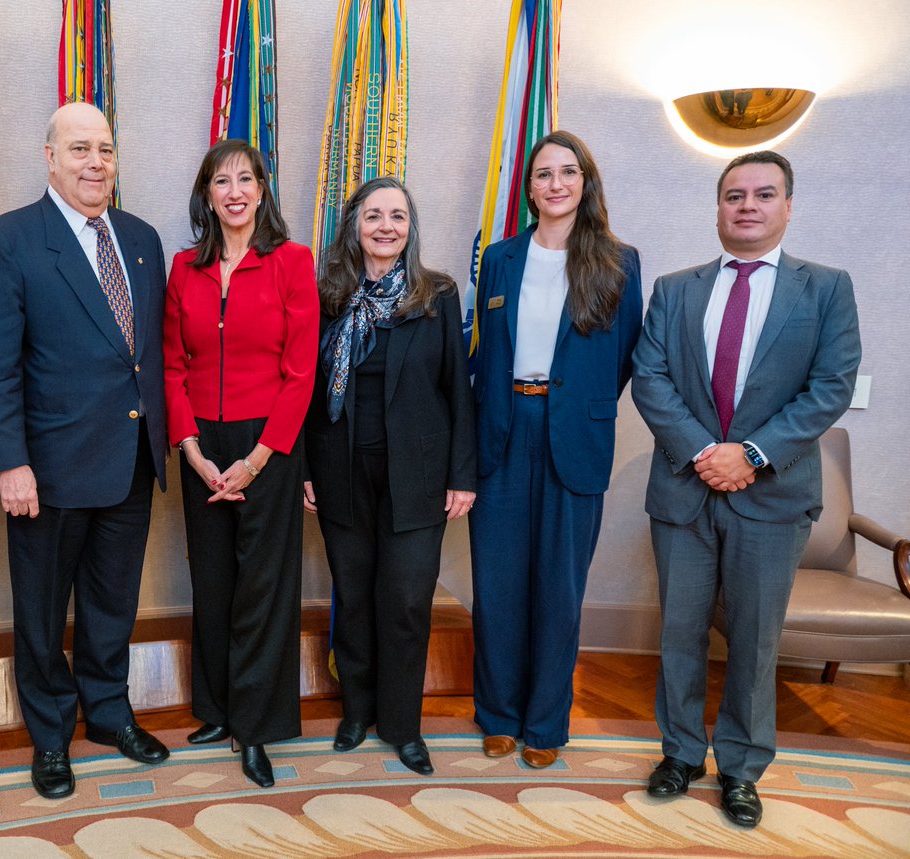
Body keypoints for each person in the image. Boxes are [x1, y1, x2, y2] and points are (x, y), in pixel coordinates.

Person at [632, 150, 860, 827]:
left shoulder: (825, 288)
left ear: (788, 206)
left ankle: (740, 766)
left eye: (764, 194)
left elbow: (831, 387)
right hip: (684, 490)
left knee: (757, 640)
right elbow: (651, 379)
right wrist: (706, 452)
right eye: (735, 195)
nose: (748, 205)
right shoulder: (676, 289)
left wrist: (751, 455)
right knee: (678, 633)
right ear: (719, 208)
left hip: (773, 494)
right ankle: (679, 751)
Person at [0, 102, 170, 800]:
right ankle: (50, 735)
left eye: (106, 149)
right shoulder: (7, 241)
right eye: (79, 148)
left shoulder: (141, 238)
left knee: (113, 603)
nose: (95, 162)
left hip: (131, 458)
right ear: (48, 156)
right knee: (44, 610)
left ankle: (109, 712)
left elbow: (143, 355)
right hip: (45, 470)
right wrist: (10, 461)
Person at [469, 131, 643, 768]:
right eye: (543, 174)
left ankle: (544, 724)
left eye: (568, 172)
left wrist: (573, 401)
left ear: (585, 181)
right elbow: (485, 352)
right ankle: (498, 716)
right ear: (529, 187)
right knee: (498, 583)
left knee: (559, 588)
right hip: (502, 428)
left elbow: (624, 357)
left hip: (574, 434)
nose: (556, 184)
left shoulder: (619, 261)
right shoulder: (501, 259)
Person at [303, 176, 476, 776]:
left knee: (405, 600)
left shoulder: (437, 295)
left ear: (410, 227)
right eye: (373, 215)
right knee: (352, 597)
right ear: (354, 225)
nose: (385, 226)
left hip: (420, 477)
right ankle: (356, 711)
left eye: (397, 216)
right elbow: (303, 387)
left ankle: (401, 725)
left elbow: (459, 388)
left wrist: (463, 474)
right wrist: (303, 468)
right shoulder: (328, 295)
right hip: (339, 470)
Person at [163, 139, 318, 788]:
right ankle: (217, 707)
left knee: (263, 587)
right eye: (220, 180)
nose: (234, 190)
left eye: (245, 179)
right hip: (202, 443)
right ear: (206, 193)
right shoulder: (183, 268)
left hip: (269, 447)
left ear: (262, 190)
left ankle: (256, 725)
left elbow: (301, 370)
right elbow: (172, 365)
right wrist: (193, 452)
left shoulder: (292, 260)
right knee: (215, 584)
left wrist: (257, 459)